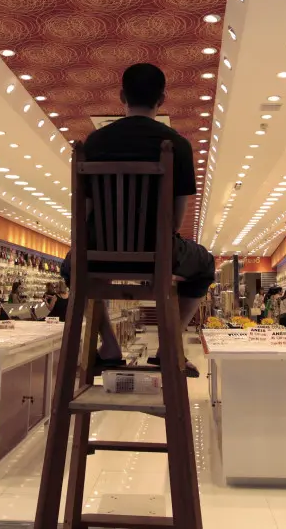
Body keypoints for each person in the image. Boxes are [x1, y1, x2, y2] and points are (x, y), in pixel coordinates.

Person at [59, 64, 216, 378]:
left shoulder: (93, 144)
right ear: (162, 99)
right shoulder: (178, 146)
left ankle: (109, 344)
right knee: (206, 265)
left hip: (98, 255)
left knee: (71, 268)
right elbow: (175, 219)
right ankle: (169, 346)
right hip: (160, 255)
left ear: (121, 97)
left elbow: (87, 212)